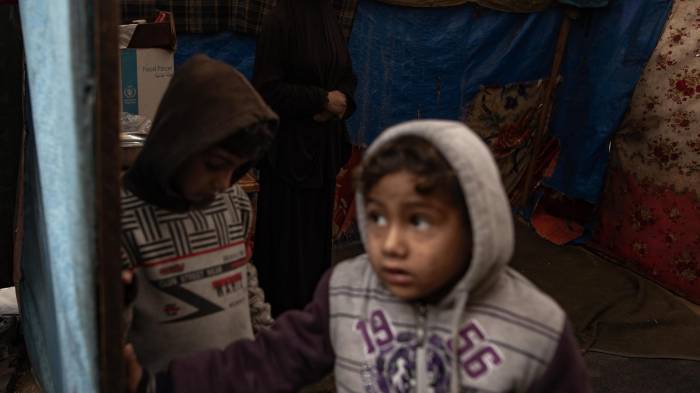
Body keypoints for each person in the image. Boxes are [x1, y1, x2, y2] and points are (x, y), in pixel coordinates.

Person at [126, 120, 592, 393]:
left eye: (420, 220)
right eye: (377, 217)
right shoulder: (349, 289)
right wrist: (160, 384)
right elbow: (268, 360)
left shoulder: (537, 332)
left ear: (477, 220)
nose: (389, 244)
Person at [120, 54, 279, 373]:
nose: (223, 183)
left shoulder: (234, 202)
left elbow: (244, 282)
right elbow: (116, 348)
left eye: (236, 168)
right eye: (215, 165)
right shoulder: (121, 221)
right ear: (178, 145)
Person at [251, 0, 358, 316]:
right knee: (286, 250)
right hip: (288, 156)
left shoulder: (327, 15)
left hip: (321, 156)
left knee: (313, 248)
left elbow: (346, 78)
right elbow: (267, 90)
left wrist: (341, 103)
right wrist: (321, 100)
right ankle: (281, 326)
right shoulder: (279, 19)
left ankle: (311, 319)